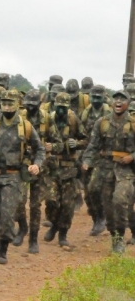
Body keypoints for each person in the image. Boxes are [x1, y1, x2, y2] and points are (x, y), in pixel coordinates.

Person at [0, 90, 45, 264]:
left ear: (17, 105)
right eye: (4, 103)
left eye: (10, 103)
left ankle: (2, 250)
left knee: (7, 214)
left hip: (13, 176)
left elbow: (39, 149)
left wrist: (36, 164)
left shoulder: (25, 126)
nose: (7, 107)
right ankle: (2, 229)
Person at [82, 90, 135, 254]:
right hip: (105, 168)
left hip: (125, 170)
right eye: (116, 99)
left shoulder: (133, 123)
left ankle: (121, 237)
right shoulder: (102, 122)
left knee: (119, 201)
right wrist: (87, 161)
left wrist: (132, 156)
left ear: (127, 103)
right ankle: (115, 237)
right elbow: (93, 145)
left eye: (122, 99)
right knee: (105, 203)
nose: (118, 102)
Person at [16, 90, 62, 253]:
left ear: (39, 104)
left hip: (42, 167)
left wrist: (52, 147)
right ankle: (22, 227)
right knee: (18, 202)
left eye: (33, 104)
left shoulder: (47, 119)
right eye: (27, 104)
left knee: (36, 205)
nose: (30, 107)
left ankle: (33, 240)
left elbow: (59, 144)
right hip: (21, 165)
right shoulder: (19, 118)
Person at [43, 93, 88, 247]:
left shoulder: (74, 120)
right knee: (51, 201)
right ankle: (54, 224)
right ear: (54, 105)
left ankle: (62, 234)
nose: (61, 111)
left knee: (68, 205)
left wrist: (77, 143)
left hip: (69, 169)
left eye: (64, 108)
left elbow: (86, 139)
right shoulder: (48, 119)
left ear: (68, 107)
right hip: (52, 168)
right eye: (59, 107)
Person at [80, 85, 111, 236]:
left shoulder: (109, 113)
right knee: (88, 192)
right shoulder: (86, 113)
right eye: (93, 97)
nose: (95, 100)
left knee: (99, 189)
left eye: (99, 97)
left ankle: (104, 218)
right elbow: (83, 136)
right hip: (90, 154)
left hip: (105, 158)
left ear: (104, 98)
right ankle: (96, 219)